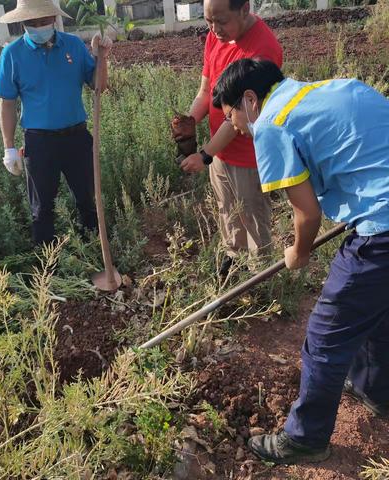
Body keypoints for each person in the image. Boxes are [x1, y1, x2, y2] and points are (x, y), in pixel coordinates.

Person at [212, 58, 389, 464]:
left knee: (326, 338)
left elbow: (307, 214)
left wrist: (298, 252)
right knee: (379, 311)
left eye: (232, 115)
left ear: (250, 100)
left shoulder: (272, 122)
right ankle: (375, 389)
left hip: (381, 232)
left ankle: (306, 438)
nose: (236, 127)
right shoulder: (334, 87)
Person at [171, 0, 282, 276]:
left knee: (252, 215)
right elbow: (206, 90)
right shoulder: (215, 36)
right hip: (221, 153)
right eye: (209, 22)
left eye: (221, 21)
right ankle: (235, 258)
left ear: (244, 9)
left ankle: (261, 275)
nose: (214, 29)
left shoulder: (263, 48)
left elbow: (239, 119)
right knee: (227, 210)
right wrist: (191, 120)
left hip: (248, 155)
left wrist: (205, 154)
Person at [0, 0, 112, 245]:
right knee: (41, 208)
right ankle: (48, 266)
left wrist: (101, 58)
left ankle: (92, 249)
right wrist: (9, 147)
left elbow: (99, 86)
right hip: (39, 143)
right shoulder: (12, 55)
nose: (38, 26)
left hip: (77, 139)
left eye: (43, 21)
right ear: (22, 23)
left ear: (54, 19)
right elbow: (7, 103)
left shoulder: (73, 46)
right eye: (31, 23)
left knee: (87, 200)